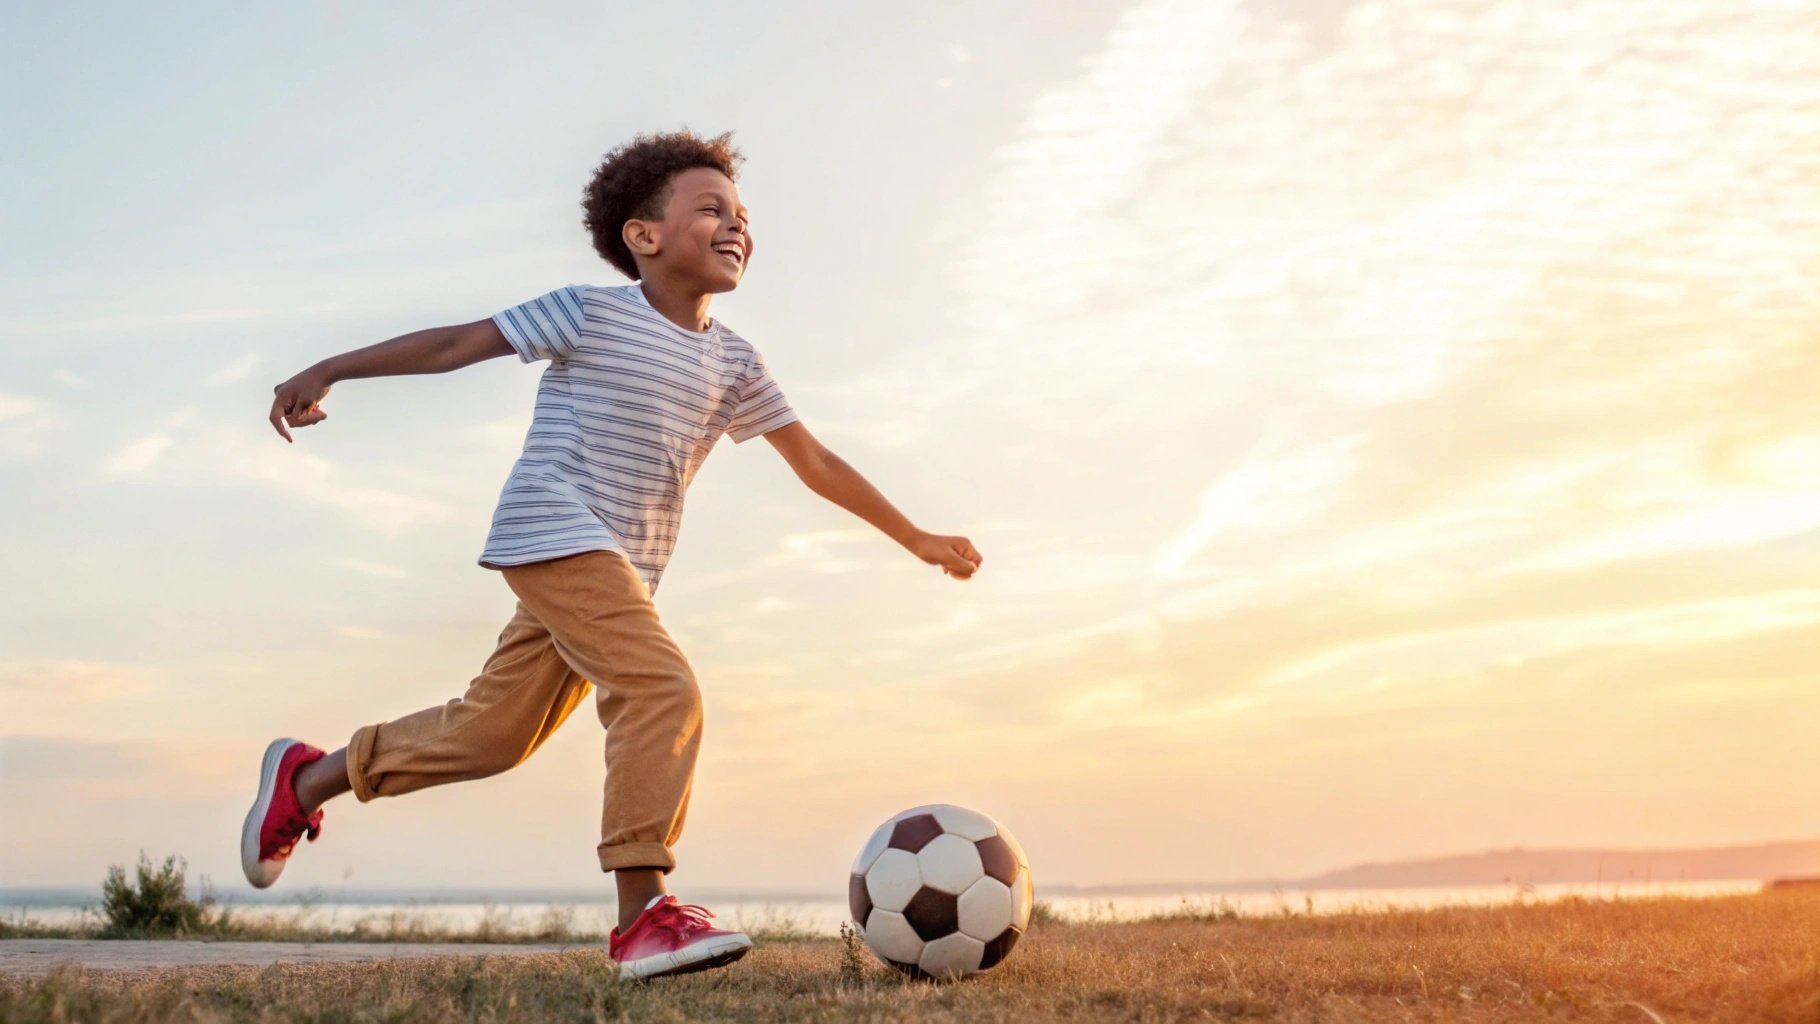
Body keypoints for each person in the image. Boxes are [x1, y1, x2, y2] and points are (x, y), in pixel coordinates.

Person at [245, 128, 984, 979]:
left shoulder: (736, 361)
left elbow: (814, 463)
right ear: (645, 236)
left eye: (743, 214)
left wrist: (917, 538)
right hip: (554, 528)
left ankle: (308, 781)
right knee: (660, 688)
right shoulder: (591, 312)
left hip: (621, 568)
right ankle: (644, 916)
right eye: (711, 209)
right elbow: (457, 346)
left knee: (493, 736)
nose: (737, 225)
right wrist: (331, 367)